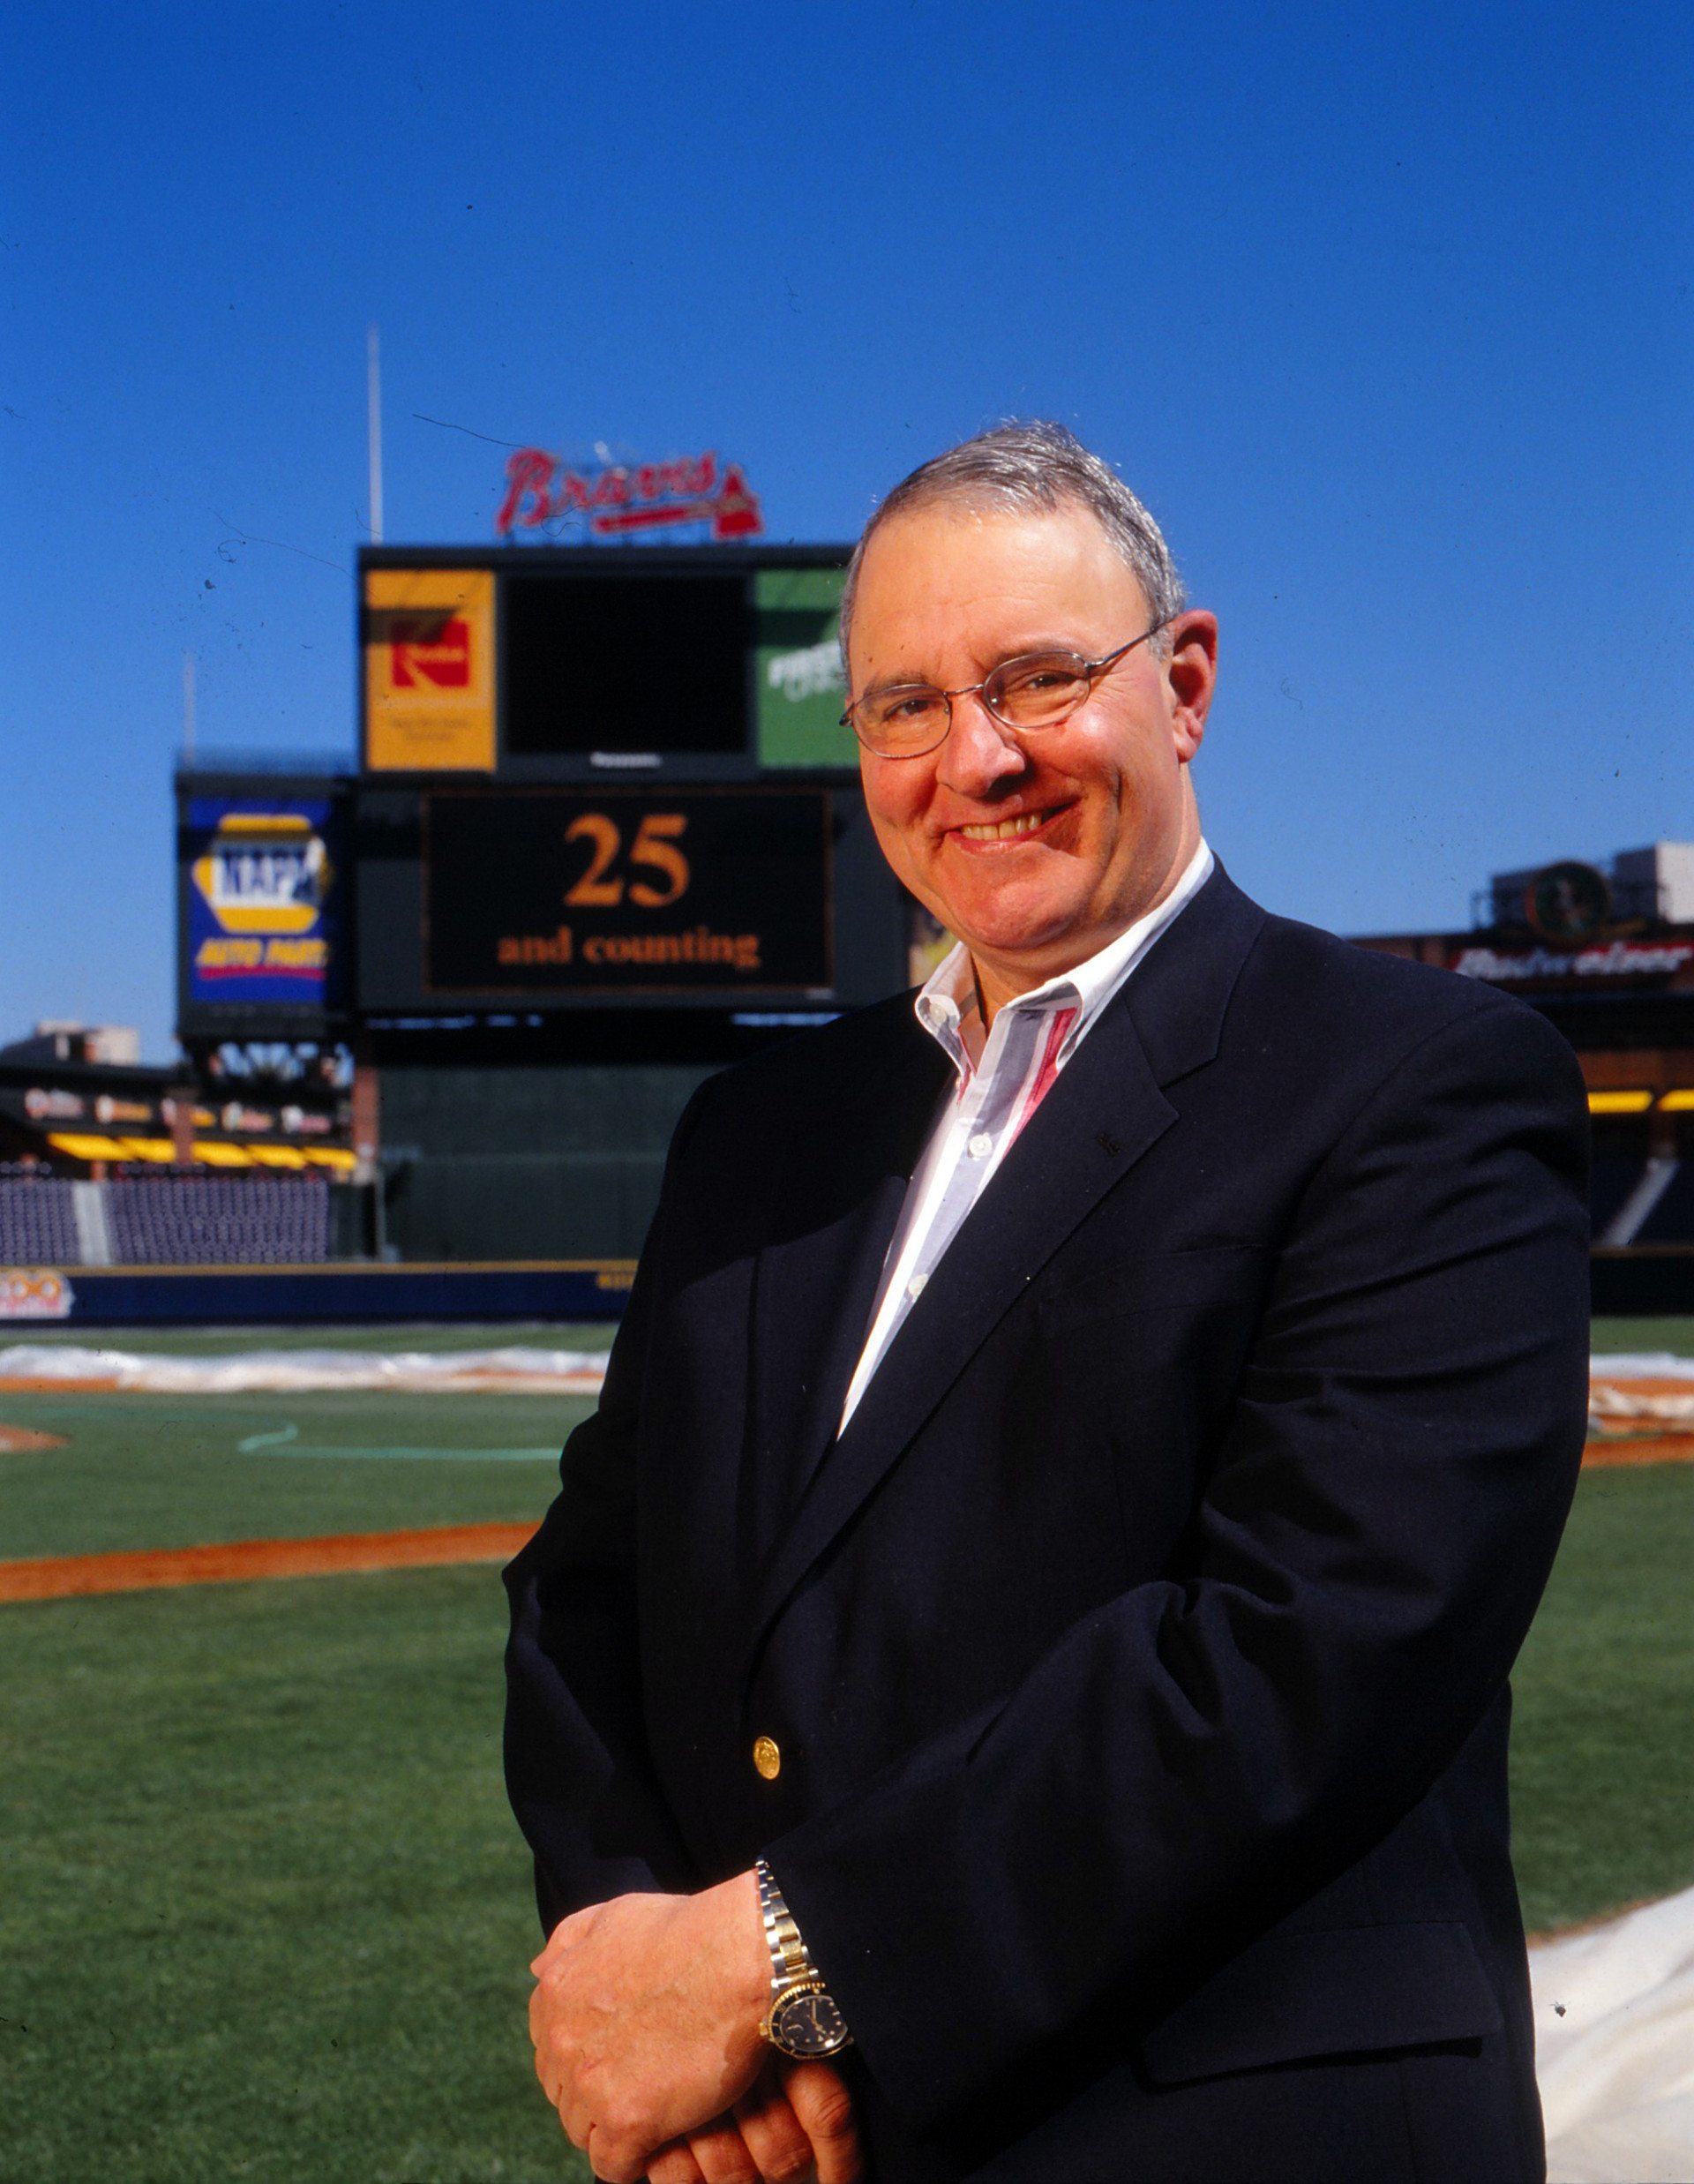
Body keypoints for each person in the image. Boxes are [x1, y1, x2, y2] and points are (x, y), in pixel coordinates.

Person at [505, 421, 1590, 2183]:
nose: (977, 757)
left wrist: (769, 1960)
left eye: (1036, 678)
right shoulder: (761, 1130)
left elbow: (1304, 1649)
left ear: (1187, 681)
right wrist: (640, 1950)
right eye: (905, 705)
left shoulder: (1423, 1082)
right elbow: (587, 1589)